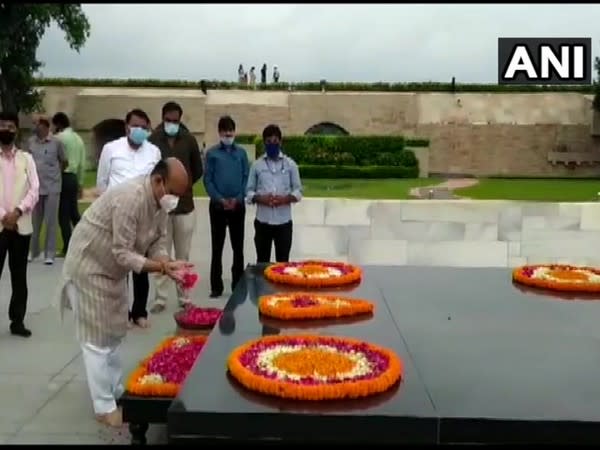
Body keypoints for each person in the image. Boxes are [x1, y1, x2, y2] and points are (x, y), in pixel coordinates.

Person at [57, 158, 192, 427]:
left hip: (112, 272)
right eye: (174, 193)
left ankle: (116, 391)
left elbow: (158, 241)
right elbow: (122, 253)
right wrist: (161, 268)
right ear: (158, 181)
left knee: (114, 334)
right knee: (96, 341)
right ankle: (103, 406)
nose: (175, 200)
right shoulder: (131, 198)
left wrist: (166, 261)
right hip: (90, 267)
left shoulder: (159, 203)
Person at [96, 108, 161, 328]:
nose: (139, 130)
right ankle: (120, 313)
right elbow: (102, 183)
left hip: (143, 217)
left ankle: (139, 312)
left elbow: (157, 185)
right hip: (117, 216)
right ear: (126, 127)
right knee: (119, 267)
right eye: (136, 126)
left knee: (140, 267)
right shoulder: (111, 149)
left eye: (144, 127)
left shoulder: (154, 152)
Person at [148, 102, 203, 313]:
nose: (172, 124)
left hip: (184, 205)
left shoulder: (188, 140)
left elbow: (197, 169)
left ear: (181, 120)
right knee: (161, 252)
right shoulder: (153, 140)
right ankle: (160, 298)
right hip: (161, 207)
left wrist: (183, 186)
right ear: (162, 119)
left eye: (176, 120)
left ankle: (184, 297)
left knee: (183, 254)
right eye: (168, 120)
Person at [0, 111, 40, 337]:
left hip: (21, 225)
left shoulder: (27, 159)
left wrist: (17, 212)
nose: (7, 129)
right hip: (1, 225)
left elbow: (34, 189)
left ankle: (17, 321)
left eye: (11, 126)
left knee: (19, 276)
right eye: (3, 125)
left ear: (17, 130)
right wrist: (4, 216)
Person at [203, 116, 249, 298]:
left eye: (230, 131)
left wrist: (238, 198)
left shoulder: (242, 153)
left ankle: (238, 284)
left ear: (234, 132)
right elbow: (208, 180)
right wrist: (220, 199)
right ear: (219, 133)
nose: (228, 134)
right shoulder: (212, 153)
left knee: (238, 248)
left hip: (238, 206)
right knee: (217, 247)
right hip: (217, 207)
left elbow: (246, 177)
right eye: (224, 132)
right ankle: (216, 286)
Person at [246, 124, 302, 263]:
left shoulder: (290, 165)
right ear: (264, 143)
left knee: (283, 264)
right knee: (262, 263)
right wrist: (260, 199)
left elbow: (298, 191)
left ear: (280, 142)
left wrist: (286, 199)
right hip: (262, 222)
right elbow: (248, 192)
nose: (272, 145)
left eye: (275, 142)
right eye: (269, 142)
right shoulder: (257, 165)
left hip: (284, 223)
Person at [25, 115, 67, 265]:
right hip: (35, 187)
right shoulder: (30, 142)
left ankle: (50, 254)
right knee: (35, 222)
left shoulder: (57, 142)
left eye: (36, 124)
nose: (33, 127)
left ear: (44, 126)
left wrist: (55, 175)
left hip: (52, 187)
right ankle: (34, 251)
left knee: (50, 221)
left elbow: (64, 161)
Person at [52, 112, 86, 256]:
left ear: (58, 124)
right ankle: (85, 241)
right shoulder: (78, 139)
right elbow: (83, 164)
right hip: (73, 178)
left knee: (63, 215)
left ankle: (68, 247)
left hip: (63, 177)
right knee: (74, 214)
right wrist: (80, 183)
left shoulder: (58, 138)